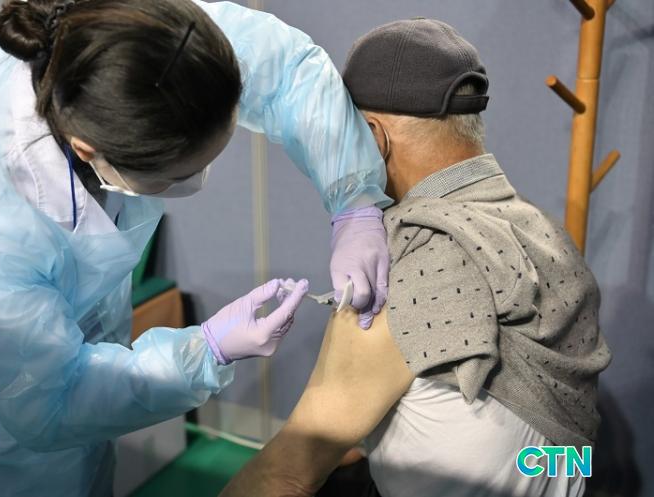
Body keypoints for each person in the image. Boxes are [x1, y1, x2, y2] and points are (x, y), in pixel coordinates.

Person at [0, 1, 394, 496]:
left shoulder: (147, 37)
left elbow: (286, 72)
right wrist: (206, 351)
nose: (196, 183)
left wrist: (353, 198)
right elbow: (53, 402)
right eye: (177, 176)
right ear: (87, 149)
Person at [219, 19, 612, 497]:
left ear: (373, 137)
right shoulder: (542, 233)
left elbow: (285, 476)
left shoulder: (412, 259)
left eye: (343, 139)